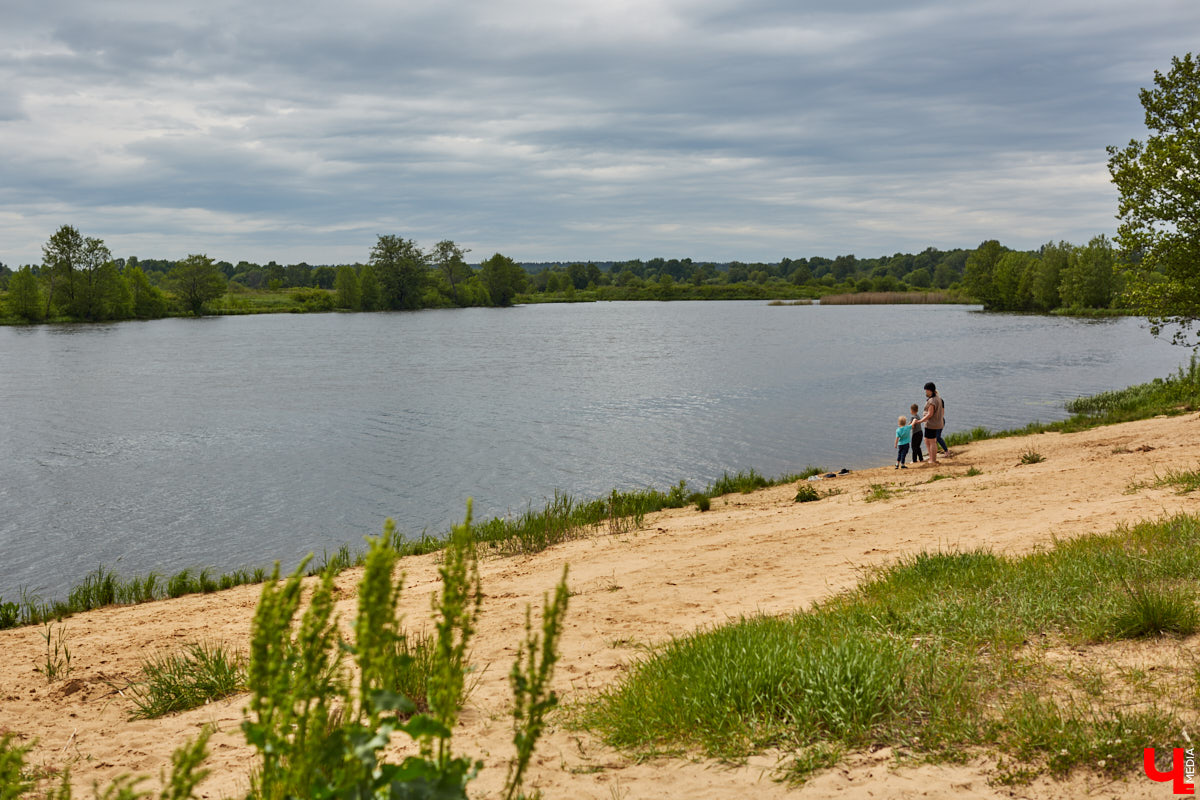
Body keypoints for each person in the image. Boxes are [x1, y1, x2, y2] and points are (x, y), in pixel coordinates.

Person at [915, 381, 945, 466]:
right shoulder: (938, 398)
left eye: (926, 390)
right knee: (927, 440)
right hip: (934, 423)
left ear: (930, 390)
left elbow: (930, 414)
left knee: (932, 441)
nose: (925, 392)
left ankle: (933, 460)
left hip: (931, 424)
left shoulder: (932, 400)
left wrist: (921, 421)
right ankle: (931, 457)